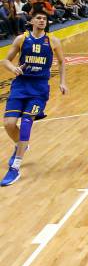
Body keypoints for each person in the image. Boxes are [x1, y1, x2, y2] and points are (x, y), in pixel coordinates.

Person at [1, 10, 67, 186]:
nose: (42, 20)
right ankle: (21, 145)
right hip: (20, 86)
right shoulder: (21, 39)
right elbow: (5, 60)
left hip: (39, 89)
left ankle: (15, 167)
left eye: (44, 18)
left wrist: (62, 82)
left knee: (27, 121)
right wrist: (13, 69)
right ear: (31, 21)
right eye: (38, 18)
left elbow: (61, 62)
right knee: (8, 124)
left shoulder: (53, 41)